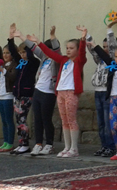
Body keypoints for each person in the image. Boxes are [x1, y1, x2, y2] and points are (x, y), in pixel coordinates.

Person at [30, 26, 88, 158]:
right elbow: (50, 54)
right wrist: (38, 42)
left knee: (71, 120)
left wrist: (83, 39)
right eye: (67, 48)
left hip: (71, 92)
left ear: (77, 50)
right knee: (64, 120)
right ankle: (67, 147)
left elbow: (83, 53)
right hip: (60, 92)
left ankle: (74, 148)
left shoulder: (79, 61)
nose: (68, 50)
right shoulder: (63, 60)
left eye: (71, 48)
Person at [24, 27, 60, 156]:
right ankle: (38, 143)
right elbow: (34, 49)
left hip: (49, 93)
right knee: (37, 119)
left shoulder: (56, 60)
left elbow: (56, 49)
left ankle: (49, 144)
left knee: (46, 118)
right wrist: (22, 37)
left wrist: (52, 36)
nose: (44, 51)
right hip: (38, 90)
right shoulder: (44, 58)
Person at [86, 22, 117, 158]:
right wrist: (86, 35)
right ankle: (104, 146)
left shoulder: (112, 60)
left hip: (107, 92)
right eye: (103, 47)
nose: (105, 49)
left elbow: (112, 47)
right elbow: (92, 49)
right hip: (97, 92)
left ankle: (111, 147)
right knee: (100, 122)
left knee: (107, 122)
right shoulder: (99, 60)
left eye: (107, 47)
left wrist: (109, 29)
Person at [8, 26, 40, 155]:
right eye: (21, 53)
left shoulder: (33, 62)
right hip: (17, 93)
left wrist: (24, 39)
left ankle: (25, 144)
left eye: (24, 52)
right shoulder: (21, 62)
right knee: (18, 119)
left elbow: (32, 54)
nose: (22, 55)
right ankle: (21, 142)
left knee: (22, 119)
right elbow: (13, 52)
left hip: (26, 94)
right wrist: (11, 38)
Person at [0, 32, 18, 153]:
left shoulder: (14, 65)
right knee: (3, 120)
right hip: (1, 95)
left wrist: (3, 70)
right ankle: (5, 142)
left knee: (9, 120)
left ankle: (10, 142)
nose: (5, 55)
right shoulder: (3, 65)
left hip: (8, 95)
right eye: (4, 53)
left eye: (7, 53)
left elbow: (12, 77)